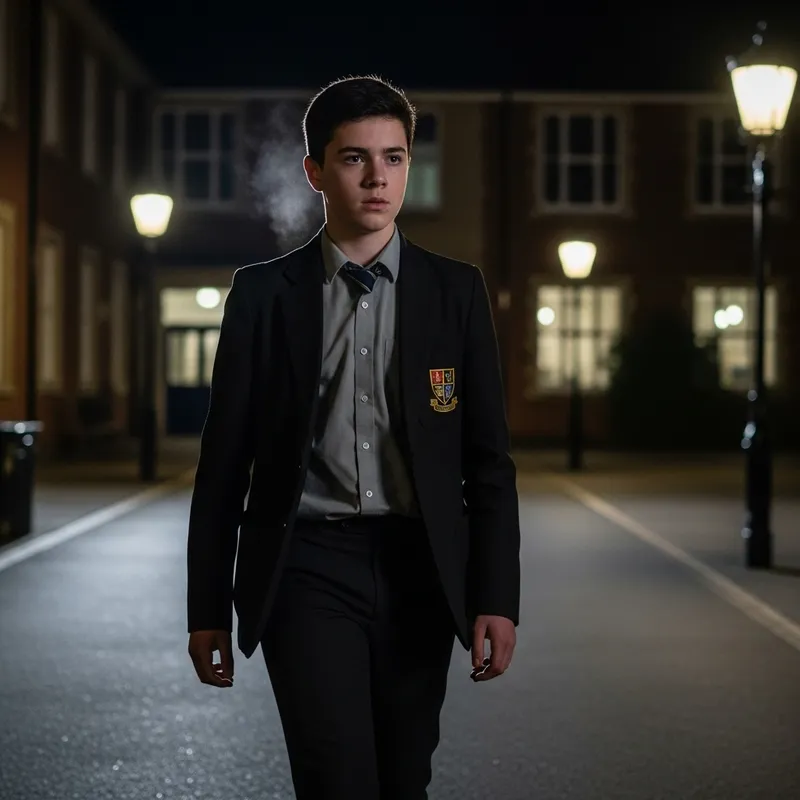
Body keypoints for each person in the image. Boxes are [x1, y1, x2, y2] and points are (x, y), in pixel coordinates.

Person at [186, 74, 521, 799]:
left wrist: (496, 595)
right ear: (315, 171)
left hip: (420, 569)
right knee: (335, 780)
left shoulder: (456, 292)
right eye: (354, 158)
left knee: (403, 779)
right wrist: (206, 608)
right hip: (306, 567)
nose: (377, 178)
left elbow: (489, 463)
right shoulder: (263, 296)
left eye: (394, 158)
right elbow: (223, 466)